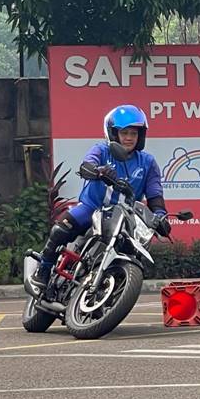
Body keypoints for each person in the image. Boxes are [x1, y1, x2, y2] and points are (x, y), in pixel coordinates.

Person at [30, 104, 170, 296]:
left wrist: (161, 216)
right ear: (113, 134)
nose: (129, 138)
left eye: (134, 133)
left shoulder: (147, 162)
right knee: (62, 228)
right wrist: (97, 171)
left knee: (134, 251)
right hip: (92, 208)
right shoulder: (101, 150)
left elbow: (155, 195)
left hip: (124, 217)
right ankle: (43, 270)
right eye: (124, 133)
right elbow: (87, 164)